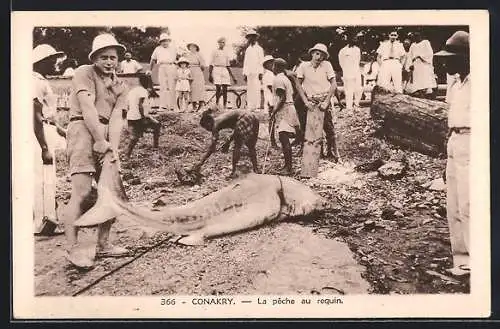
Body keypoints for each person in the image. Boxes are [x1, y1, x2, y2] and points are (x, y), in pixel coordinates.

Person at [58, 33, 130, 269]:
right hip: (82, 129)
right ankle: (73, 248)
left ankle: (104, 244)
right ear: (94, 57)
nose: (109, 62)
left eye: (113, 57)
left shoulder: (120, 85)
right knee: (82, 191)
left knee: (111, 189)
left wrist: (114, 149)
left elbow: (118, 117)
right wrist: (98, 139)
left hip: (106, 133)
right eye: (103, 57)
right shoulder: (84, 73)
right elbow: (87, 107)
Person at [434, 31, 470, 277]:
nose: (446, 63)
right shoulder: (456, 85)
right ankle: (461, 259)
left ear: (466, 58)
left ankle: (477, 259)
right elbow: (451, 119)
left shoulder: (481, 82)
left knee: (470, 203)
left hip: (473, 139)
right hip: (455, 140)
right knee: (453, 203)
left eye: (451, 58)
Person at [32, 44, 66, 235]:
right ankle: (42, 223)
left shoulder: (40, 80)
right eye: (52, 61)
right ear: (41, 62)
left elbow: (45, 115)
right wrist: (44, 146)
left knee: (46, 178)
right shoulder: (34, 81)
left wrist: (61, 130)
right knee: (42, 178)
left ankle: (47, 219)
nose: (55, 64)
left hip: (45, 130)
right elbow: (34, 114)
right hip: (38, 135)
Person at [296, 43, 341, 163]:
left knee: (329, 128)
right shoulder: (303, 66)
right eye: (317, 53)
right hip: (311, 100)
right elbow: (298, 84)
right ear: (312, 53)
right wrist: (305, 101)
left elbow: (334, 84)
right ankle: (316, 155)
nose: (319, 57)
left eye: (322, 55)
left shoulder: (326, 65)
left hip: (323, 99)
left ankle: (332, 153)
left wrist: (326, 101)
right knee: (311, 128)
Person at [190, 105, 260, 179]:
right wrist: (227, 143)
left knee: (237, 145)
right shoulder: (218, 120)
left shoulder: (215, 125)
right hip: (252, 116)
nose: (207, 130)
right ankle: (256, 169)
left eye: (206, 128)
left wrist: (201, 162)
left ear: (209, 123)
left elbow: (212, 148)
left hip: (245, 117)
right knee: (251, 146)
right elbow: (236, 131)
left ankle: (234, 172)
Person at [270, 58, 302, 176]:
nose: (272, 68)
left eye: (273, 66)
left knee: (284, 139)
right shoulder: (286, 79)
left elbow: (282, 98)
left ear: (277, 67)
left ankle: (289, 168)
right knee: (285, 139)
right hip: (289, 108)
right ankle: (287, 166)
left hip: (285, 110)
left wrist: (274, 111)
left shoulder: (278, 79)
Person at [125, 74, 161, 159]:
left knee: (136, 136)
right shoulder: (143, 91)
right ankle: (155, 147)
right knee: (135, 137)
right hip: (138, 117)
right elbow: (140, 105)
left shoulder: (133, 90)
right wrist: (143, 118)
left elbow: (128, 105)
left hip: (131, 116)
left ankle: (127, 154)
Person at [149, 33, 178, 111]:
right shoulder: (157, 49)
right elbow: (152, 60)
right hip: (161, 67)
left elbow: (182, 56)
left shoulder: (174, 48)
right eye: (163, 41)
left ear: (169, 41)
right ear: (160, 42)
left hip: (171, 67)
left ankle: (174, 106)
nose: (165, 42)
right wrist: (150, 70)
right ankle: (162, 106)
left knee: (172, 87)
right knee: (162, 87)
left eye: (166, 41)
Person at [406, 31, 437, 98]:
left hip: (424, 63)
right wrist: (410, 64)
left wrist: (420, 56)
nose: (416, 38)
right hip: (416, 64)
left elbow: (430, 53)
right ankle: (419, 92)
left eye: (418, 36)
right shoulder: (413, 45)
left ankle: (427, 93)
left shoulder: (425, 42)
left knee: (425, 79)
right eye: (415, 36)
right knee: (417, 79)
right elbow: (409, 56)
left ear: (421, 36)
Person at [208, 37, 237, 109]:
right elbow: (211, 64)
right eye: (221, 42)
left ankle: (224, 105)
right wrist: (210, 74)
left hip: (224, 70)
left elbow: (228, 65)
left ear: (225, 44)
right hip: (217, 69)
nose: (222, 44)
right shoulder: (214, 51)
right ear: (218, 43)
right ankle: (217, 104)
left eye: (223, 42)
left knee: (225, 88)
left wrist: (233, 77)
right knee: (218, 87)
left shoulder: (226, 52)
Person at [338, 34, 362, 111]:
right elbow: (341, 62)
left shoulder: (357, 49)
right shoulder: (343, 50)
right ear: (349, 39)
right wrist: (346, 70)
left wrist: (356, 70)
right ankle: (349, 108)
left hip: (356, 71)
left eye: (356, 38)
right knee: (349, 90)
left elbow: (358, 60)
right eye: (354, 38)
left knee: (359, 89)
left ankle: (356, 105)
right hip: (347, 72)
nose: (355, 40)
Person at [242, 29, 264, 110]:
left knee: (257, 89)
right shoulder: (248, 49)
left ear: (255, 38)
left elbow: (261, 61)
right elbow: (246, 62)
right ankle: (250, 106)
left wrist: (261, 72)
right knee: (250, 89)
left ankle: (257, 106)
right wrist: (244, 73)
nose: (250, 39)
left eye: (252, 37)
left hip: (257, 72)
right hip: (249, 72)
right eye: (249, 37)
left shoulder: (259, 49)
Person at [185, 42, 206, 112]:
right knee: (191, 89)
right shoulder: (187, 55)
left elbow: (203, 66)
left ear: (196, 48)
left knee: (199, 88)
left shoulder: (199, 55)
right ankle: (194, 106)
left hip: (197, 72)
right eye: (191, 47)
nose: (192, 48)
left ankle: (201, 105)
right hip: (189, 72)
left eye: (194, 47)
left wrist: (200, 68)